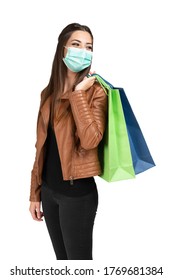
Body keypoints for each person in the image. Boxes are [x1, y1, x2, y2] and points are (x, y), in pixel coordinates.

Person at [29, 23, 107, 260]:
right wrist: (35, 193)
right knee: (62, 265)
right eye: (76, 44)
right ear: (62, 49)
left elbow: (91, 140)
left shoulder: (96, 92)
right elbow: (41, 147)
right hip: (49, 192)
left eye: (89, 47)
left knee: (79, 266)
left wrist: (78, 95)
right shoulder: (48, 93)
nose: (83, 51)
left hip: (78, 195)